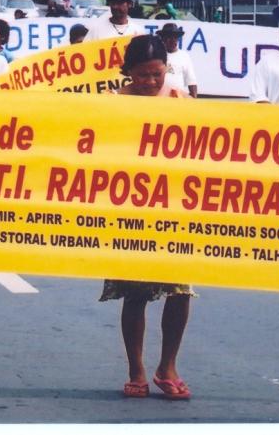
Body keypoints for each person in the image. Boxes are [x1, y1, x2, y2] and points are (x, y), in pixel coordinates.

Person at [100, 34, 193, 401]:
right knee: (134, 292)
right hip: (130, 211)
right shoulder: (110, 104)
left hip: (173, 208)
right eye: (142, 76)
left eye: (156, 74)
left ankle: (167, 366)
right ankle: (136, 369)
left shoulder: (182, 102)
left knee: (180, 290)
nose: (151, 83)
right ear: (128, 73)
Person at [157, 23, 198, 98]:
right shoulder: (156, 54)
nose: (173, 40)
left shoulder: (184, 56)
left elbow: (191, 80)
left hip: (178, 98)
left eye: (175, 37)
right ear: (162, 38)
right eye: (169, 37)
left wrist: (194, 101)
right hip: (159, 97)